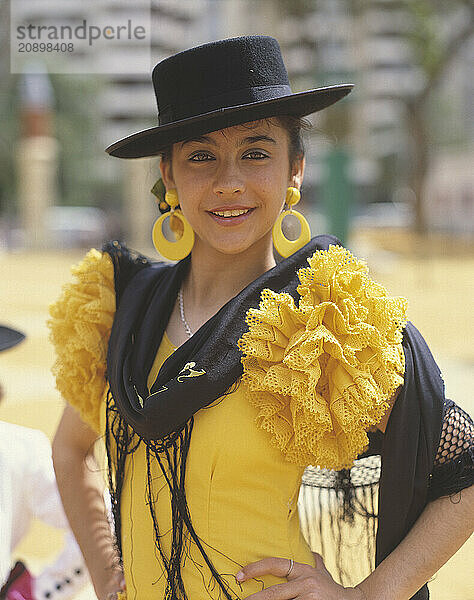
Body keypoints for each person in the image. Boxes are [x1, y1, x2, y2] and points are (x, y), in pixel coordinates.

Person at [49, 36, 473, 600]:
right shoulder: (122, 308)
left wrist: (367, 595)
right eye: (201, 156)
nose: (229, 181)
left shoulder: (317, 326)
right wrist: (106, 572)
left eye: (256, 152)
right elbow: (70, 448)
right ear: (168, 174)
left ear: (295, 168)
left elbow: (464, 469)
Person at [0, 325, 89, 600]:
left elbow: (101, 521)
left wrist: (45, 592)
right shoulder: (17, 446)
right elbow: (102, 522)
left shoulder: (17, 447)